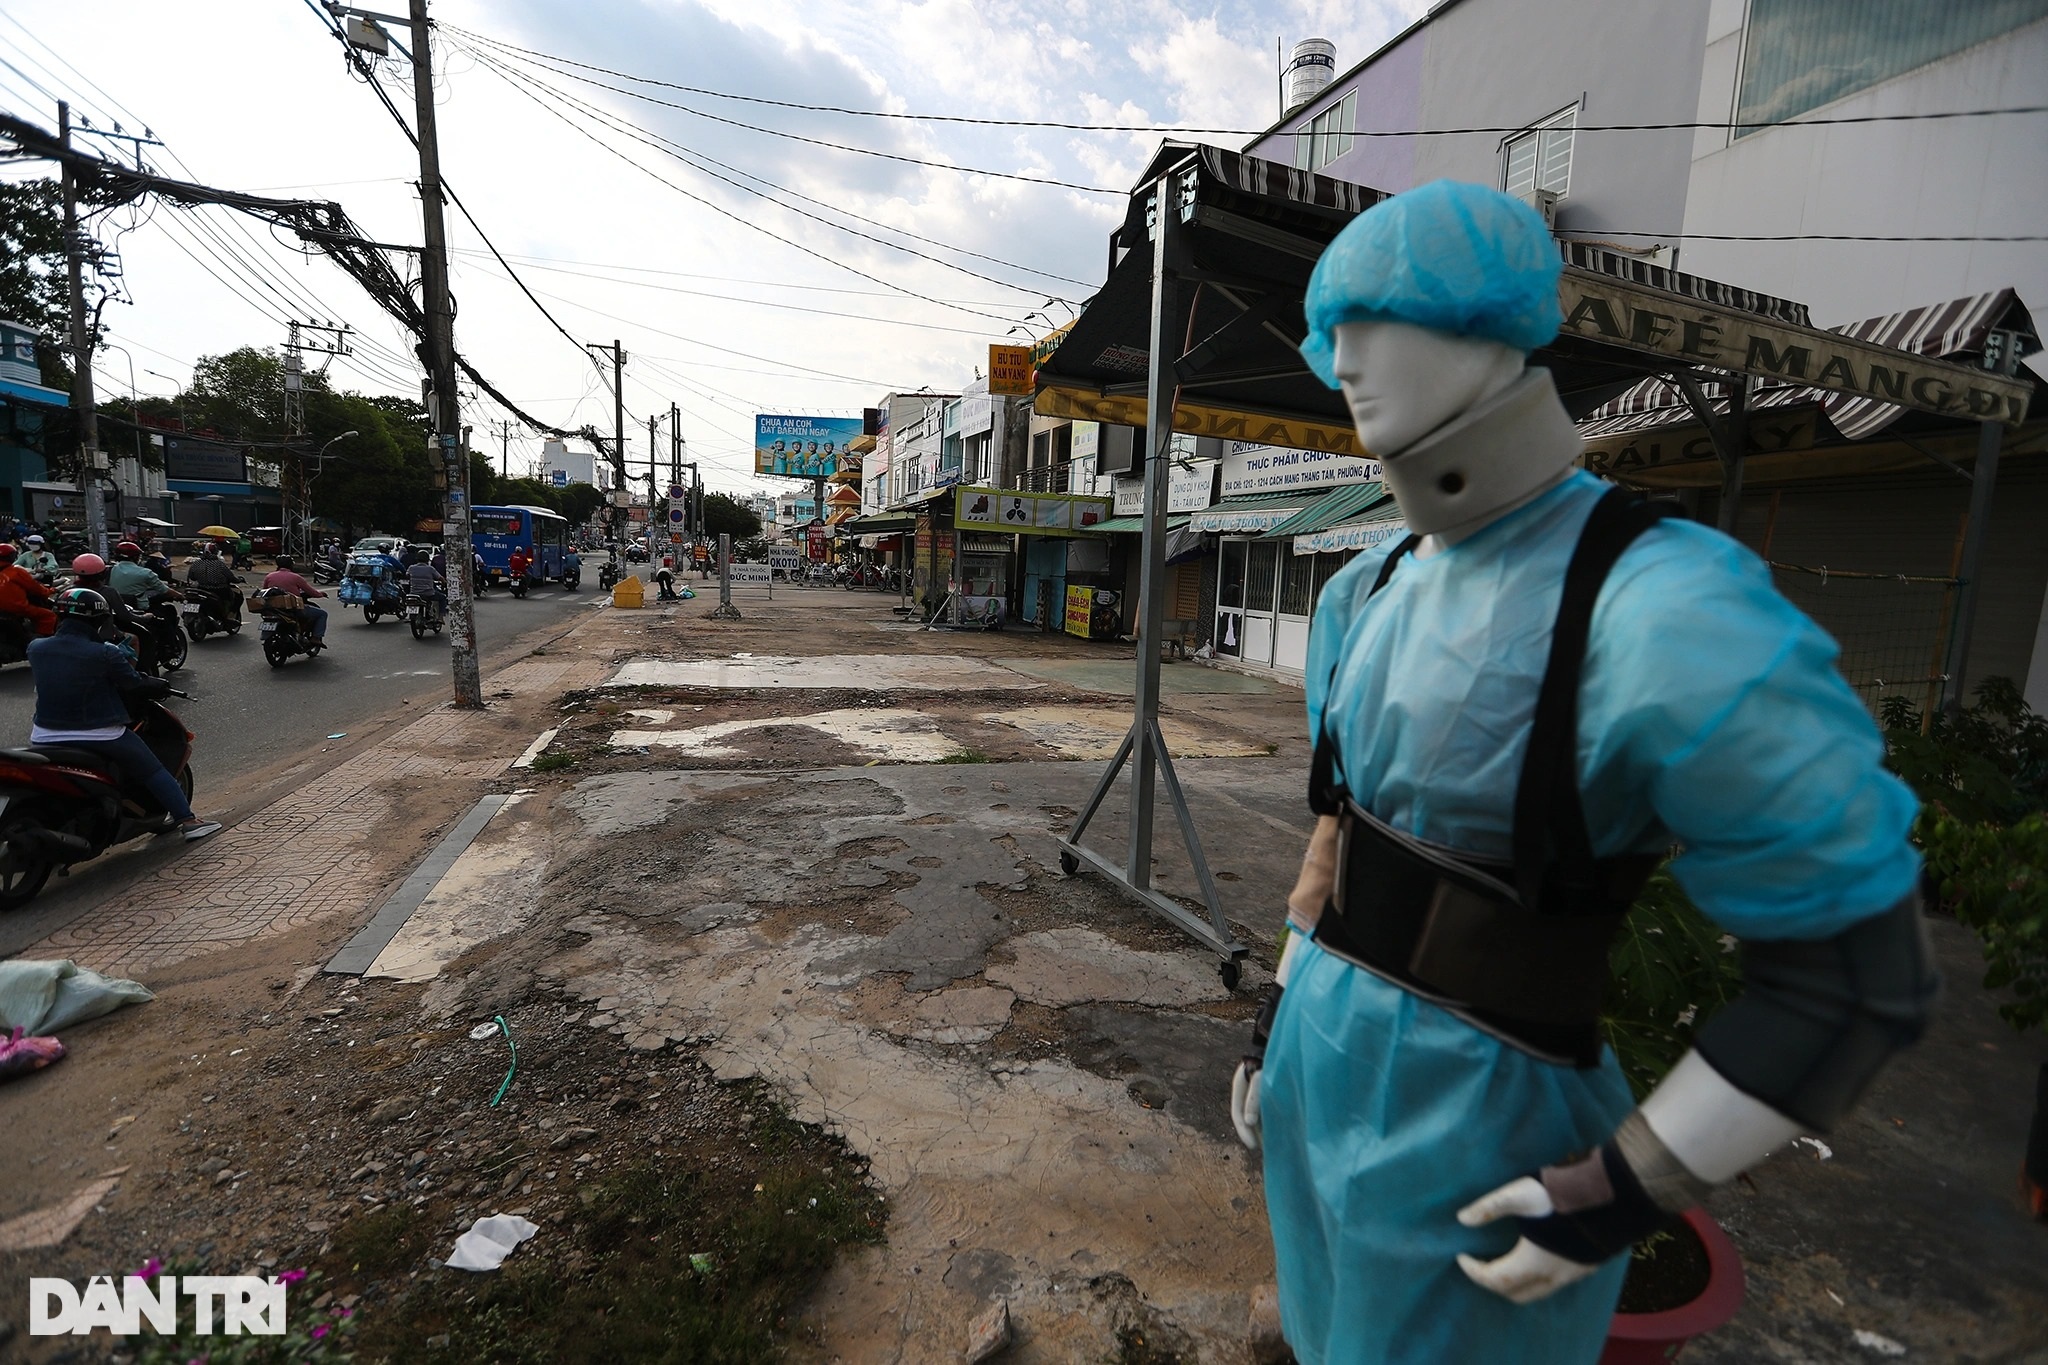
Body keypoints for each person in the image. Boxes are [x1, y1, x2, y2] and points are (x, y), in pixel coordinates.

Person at [1229, 181, 1935, 1365]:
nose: (1342, 357)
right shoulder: (1365, 591)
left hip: (1487, 1118)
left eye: (1379, 318)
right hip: (1314, 1075)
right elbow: (1336, 842)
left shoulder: (1664, 607)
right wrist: (1272, 1022)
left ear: (1491, 330)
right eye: (1329, 329)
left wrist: (1623, 1188)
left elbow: (1852, 978)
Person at [27, 588, 219, 841]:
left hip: (43, 735)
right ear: (98, 620)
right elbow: (132, 683)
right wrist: (153, 682)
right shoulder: (106, 652)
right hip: (101, 734)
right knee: (153, 770)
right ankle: (189, 820)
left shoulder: (36, 648)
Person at [260, 554, 329, 647]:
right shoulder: (295, 577)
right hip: (292, 607)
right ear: (291, 565)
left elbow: (264, 591)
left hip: (274, 609)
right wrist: (321, 594)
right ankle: (316, 638)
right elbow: (311, 591)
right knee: (322, 614)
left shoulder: (269, 576)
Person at [0, 544, 57, 636]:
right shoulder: (16, 572)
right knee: (49, 616)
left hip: (40, 574)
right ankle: (41, 642)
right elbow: (37, 589)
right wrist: (50, 591)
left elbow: (53, 567)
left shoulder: (48, 555)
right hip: (16, 608)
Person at [184, 542, 243, 623]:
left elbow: (192, 577)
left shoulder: (196, 563)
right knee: (238, 597)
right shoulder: (219, 564)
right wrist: (239, 580)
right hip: (218, 590)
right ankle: (229, 616)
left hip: (201, 589)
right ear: (216, 552)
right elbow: (231, 577)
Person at [108, 540, 171, 608]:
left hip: (115, 607)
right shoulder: (146, 572)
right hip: (140, 608)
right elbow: (165, 590)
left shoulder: (109, 570)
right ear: (135, 557)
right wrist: (179, 595)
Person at [404, 554, 446, 619]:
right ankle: (441, 618)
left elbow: (407, 575)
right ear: (427, 560)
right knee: (443, 597)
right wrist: (444, 583)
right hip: (428, 593)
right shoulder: (430, 569)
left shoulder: (411, 568)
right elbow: (441, 578)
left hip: (414, 593)